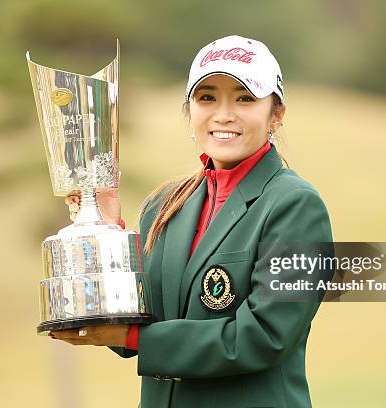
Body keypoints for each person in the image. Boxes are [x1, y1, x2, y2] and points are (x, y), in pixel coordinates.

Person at [51, 35, 333, 408]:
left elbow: (263, 337)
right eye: (207, 97)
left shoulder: (297, 206)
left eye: (245, 98)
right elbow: (136, 319)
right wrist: (107, 232)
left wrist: (135, 337)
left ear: (276, 114)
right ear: (189, 110)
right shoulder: (165, 204)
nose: (224, 114)